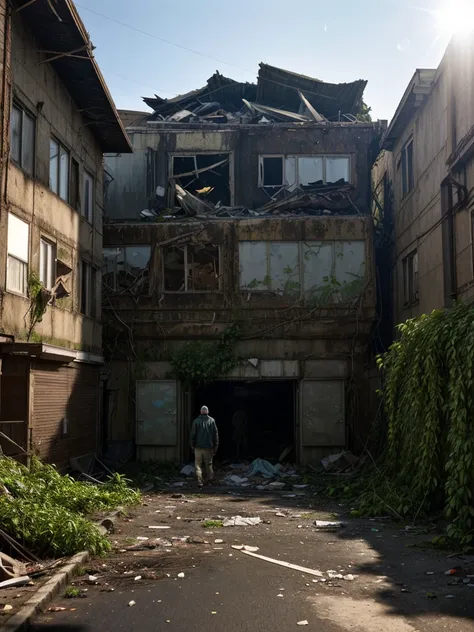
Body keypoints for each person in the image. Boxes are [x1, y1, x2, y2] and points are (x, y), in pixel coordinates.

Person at [191, 406, 219, 488]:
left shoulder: (196, 421)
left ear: (200, 412)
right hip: (208, 447)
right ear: (207, 412)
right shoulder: (212, 421)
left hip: (198, 447)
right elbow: (215, 434)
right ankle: (209, 480)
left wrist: (192, 445)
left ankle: (200, 481)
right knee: (209, 464)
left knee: (198, 464)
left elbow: (192, 434)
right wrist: (215, 446)